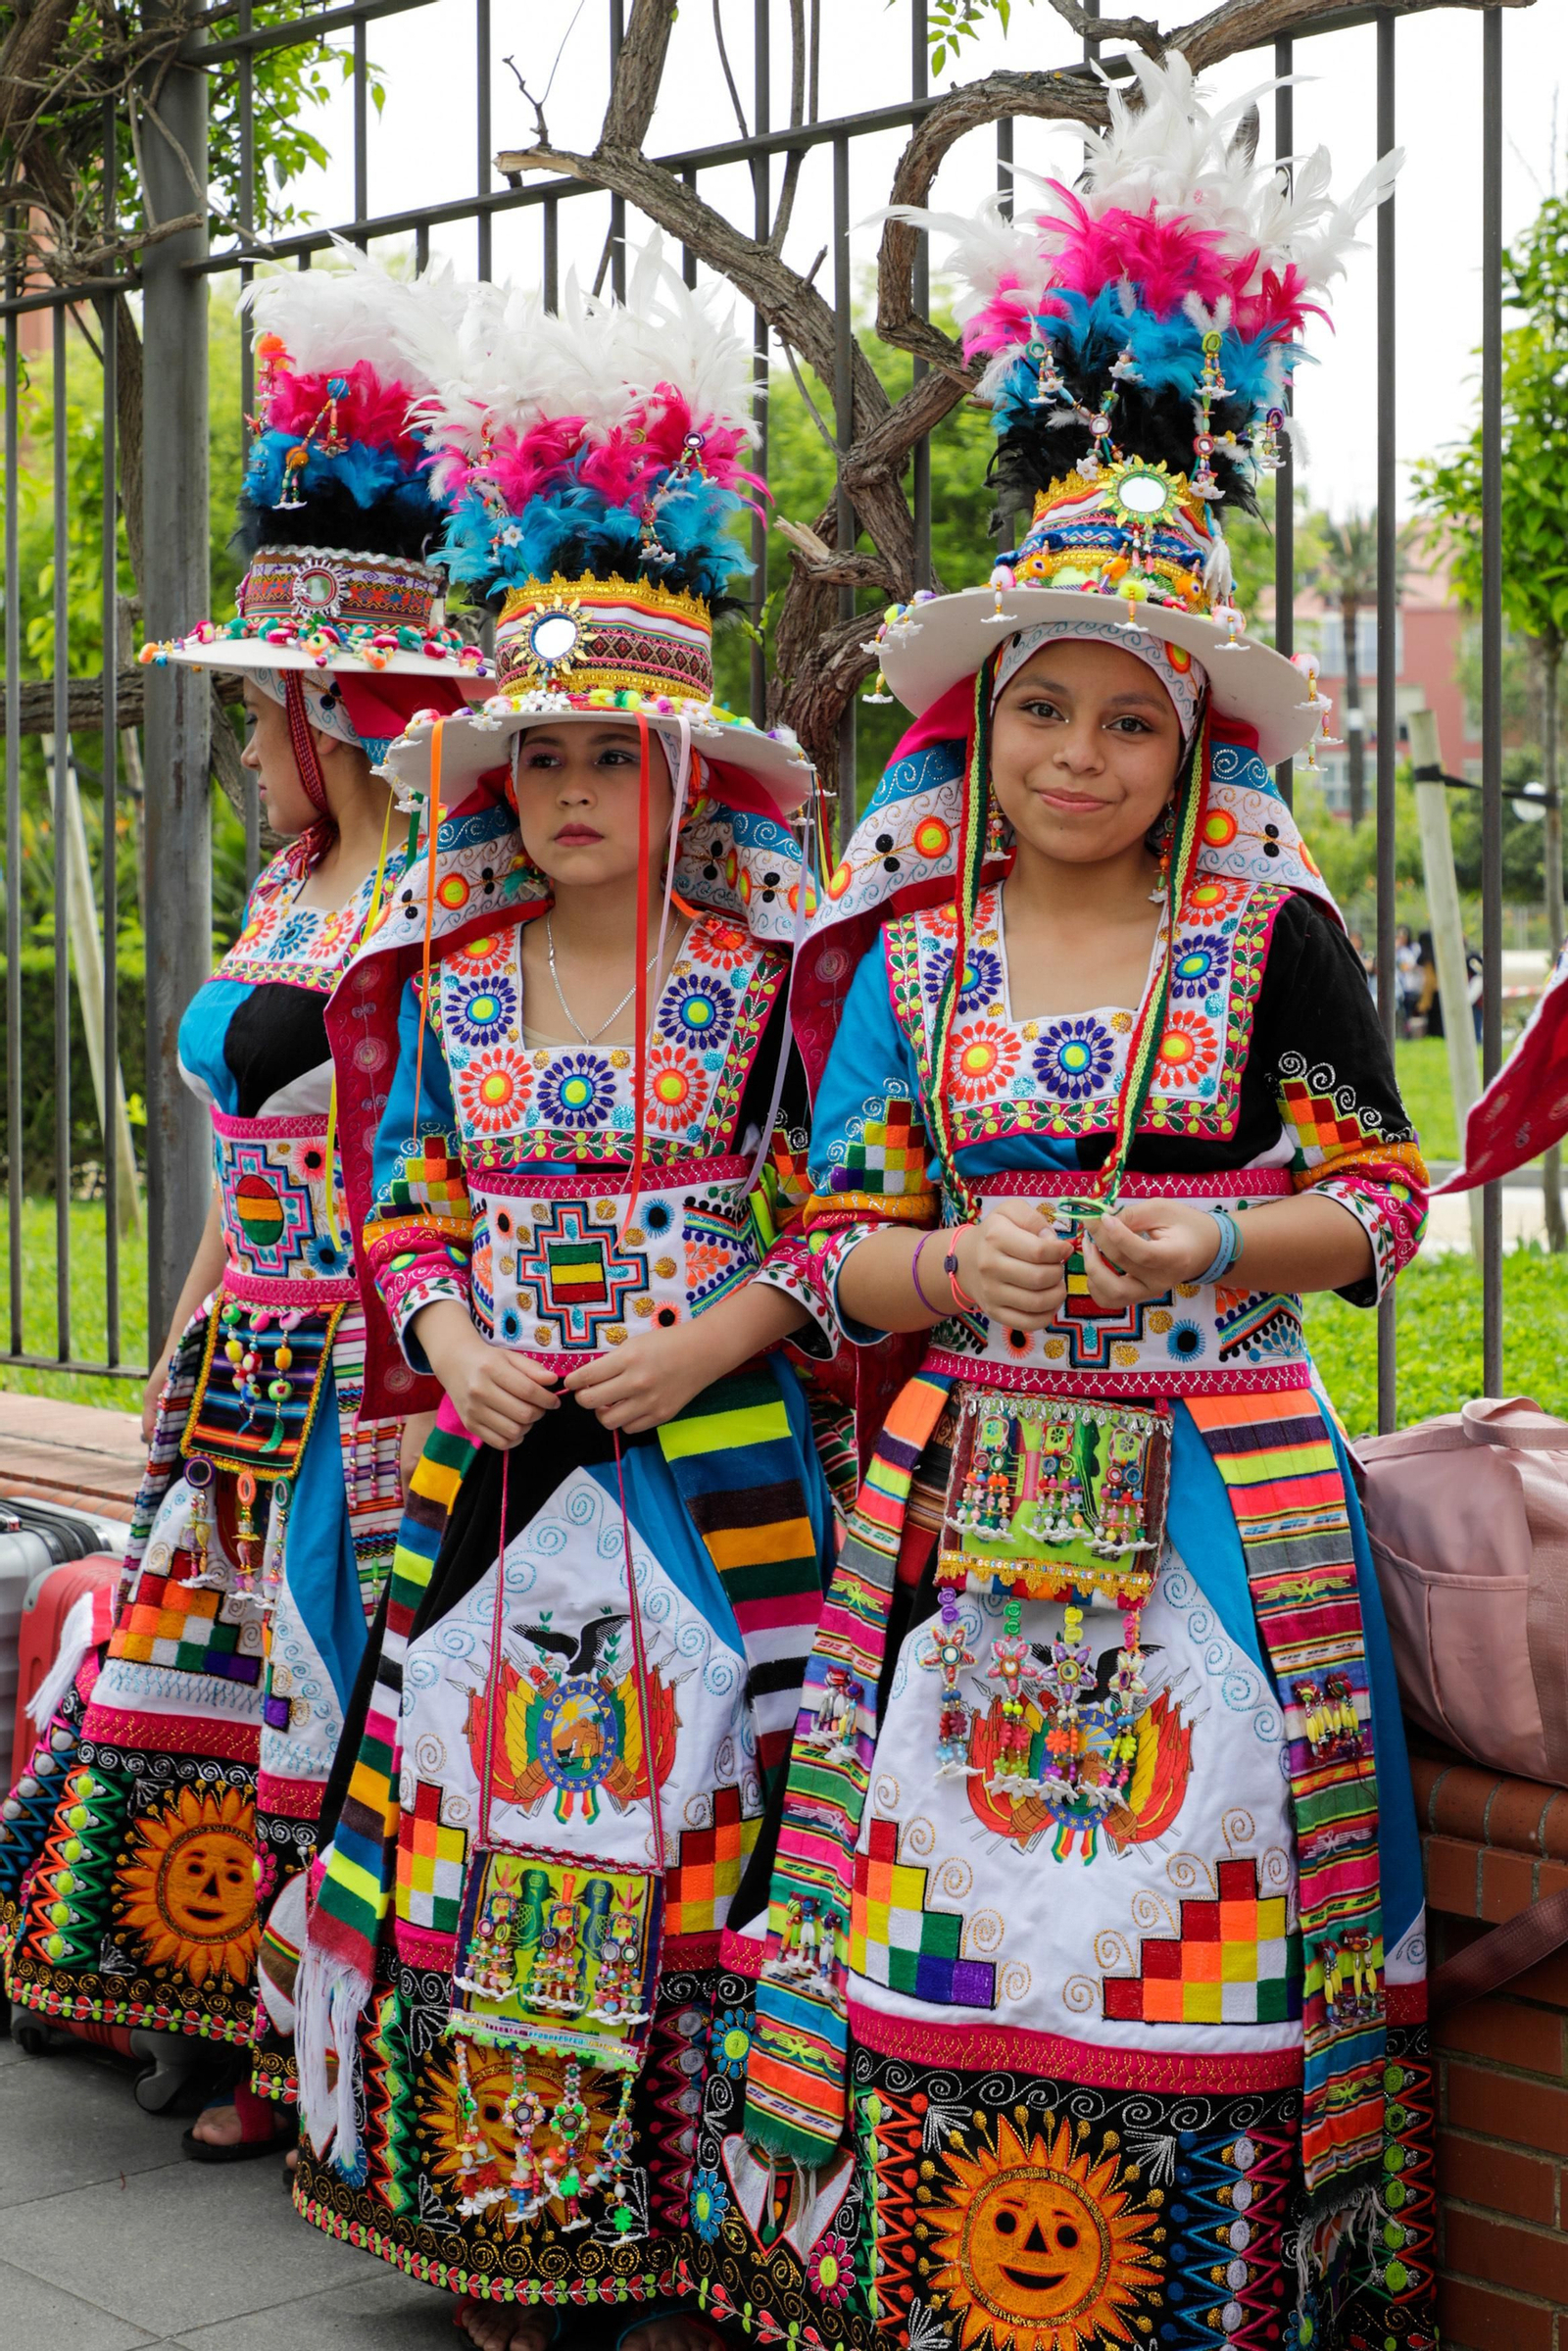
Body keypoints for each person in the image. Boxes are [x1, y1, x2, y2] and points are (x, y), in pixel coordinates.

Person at [693, 59, 1436, 2351]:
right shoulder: (909, 956)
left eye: (1130, 724)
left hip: (1222, 1495)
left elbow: (1390, 1199)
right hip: (957, 1488)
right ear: (984, 722)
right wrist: (945, 1265)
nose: (1080, 761)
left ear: (1196, 746)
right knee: (945, 1902)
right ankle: (939, 2302)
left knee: (1207, 1899)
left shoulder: (1275, 940)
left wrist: (1212, 1242)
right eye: (1045, 715)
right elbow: (819, 1234)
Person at [289, 248, 841, 2351]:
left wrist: (714, 1334)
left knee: (712, 1800)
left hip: (717, 1460)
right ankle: (489, 2218)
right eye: (541, 764)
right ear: (497, 785)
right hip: (505, 1450)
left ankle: (699, 2218)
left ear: (690, 779)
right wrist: (443, 1340)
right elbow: (404, 1201)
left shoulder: (767, 983)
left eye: (616, 757)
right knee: (490, 1784)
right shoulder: (441, 988)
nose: (576, 793)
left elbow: (839, 1210)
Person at [0, 252, 489, 2161]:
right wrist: (190, 1309)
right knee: (194, 1658)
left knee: (318, 1678)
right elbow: (236, 1141)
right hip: (239, 1355)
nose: (277, 726)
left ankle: (293, 2039)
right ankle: (175, 1980)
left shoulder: (433, 907)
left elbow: (415, 1152)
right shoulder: (293, 890)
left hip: (363, 1378)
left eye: (293, 694)